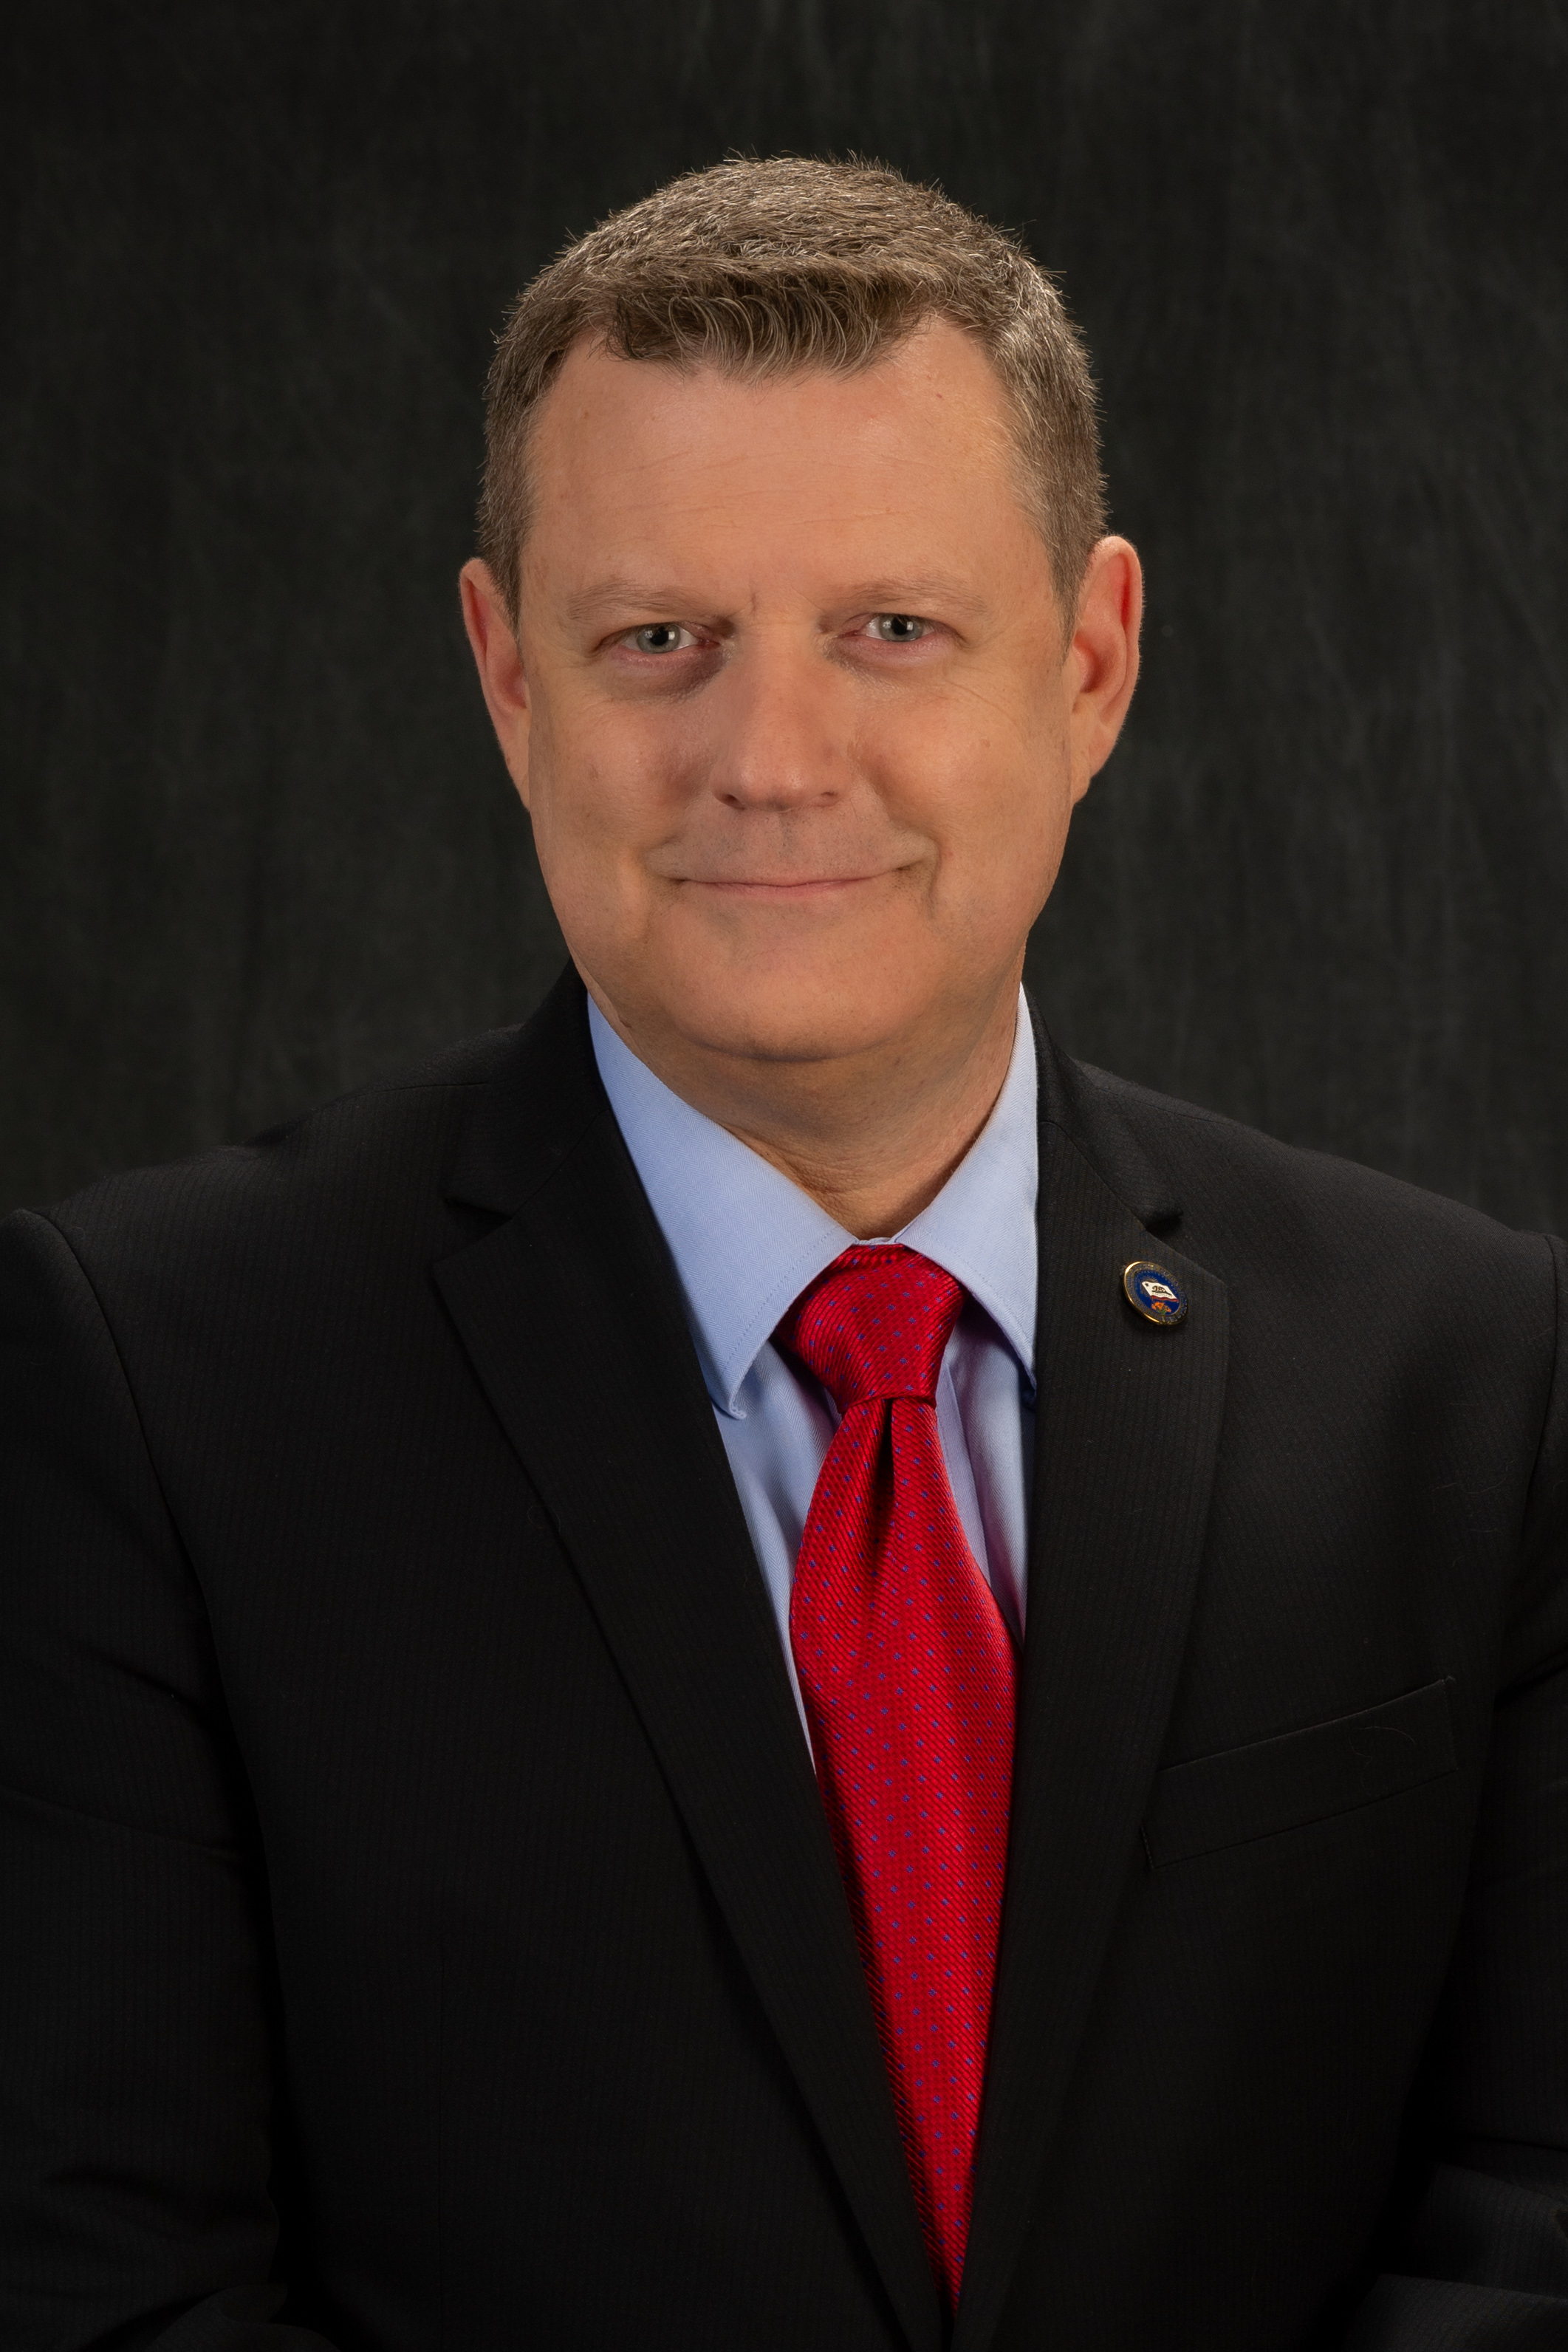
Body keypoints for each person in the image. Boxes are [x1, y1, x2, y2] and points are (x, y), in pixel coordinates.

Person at [2, 155, 1564, 2352]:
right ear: (507, 678)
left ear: (1092, 662)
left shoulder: (1470, 1381)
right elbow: (103, 2291)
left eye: (890, 631)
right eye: (661, 641)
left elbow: (1536, 2218)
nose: (770, 762)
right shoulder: (150, 1383)